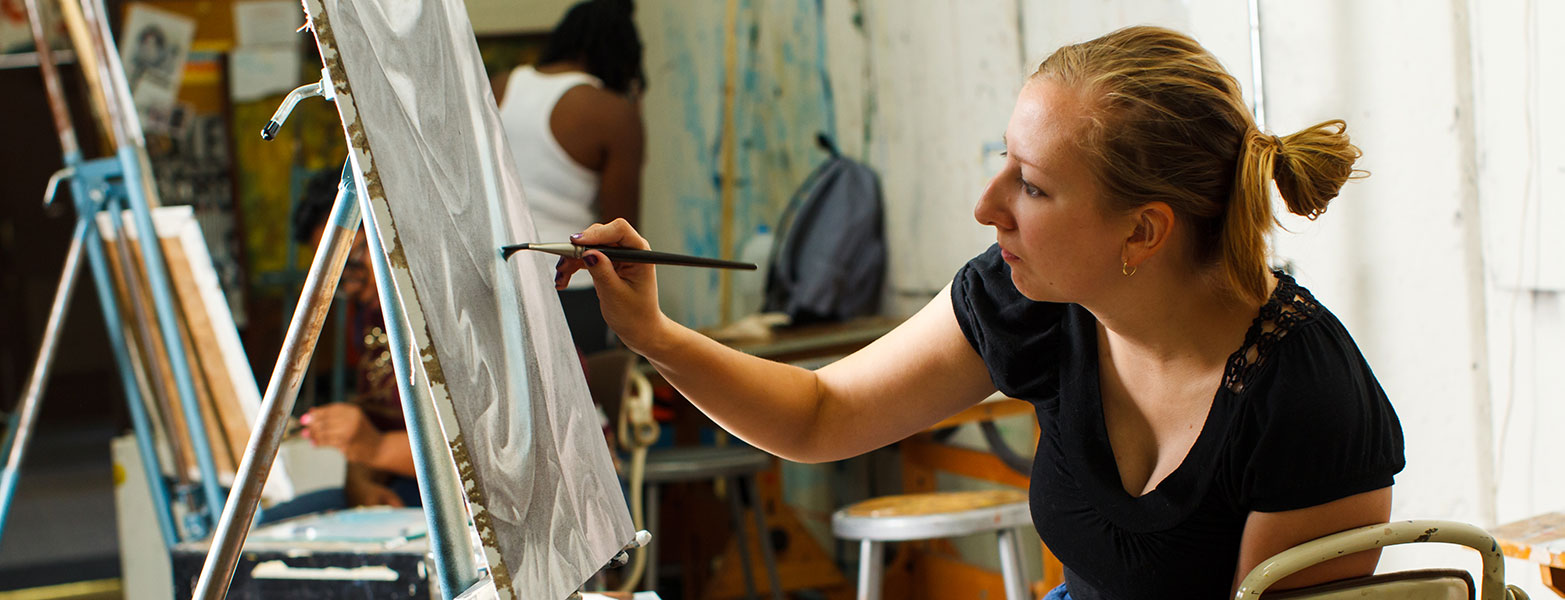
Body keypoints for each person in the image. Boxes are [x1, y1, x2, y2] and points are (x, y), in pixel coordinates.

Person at [554, 26, 1404, 599]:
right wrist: (653, 336)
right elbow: (821, 415)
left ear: (1141, 231)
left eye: (1030, 186)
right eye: (1005, 163)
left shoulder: (1307, 403)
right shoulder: (1031, 299)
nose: (985, 205)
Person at [496, 0, 646, 354]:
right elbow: (621, 234)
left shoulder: (502, 85)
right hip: (573, 293)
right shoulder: (611, 112)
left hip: (502, 280)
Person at [291, 168, 419, 508]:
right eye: (335, 267)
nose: (350, 280)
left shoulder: (437, 313)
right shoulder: (370, 312)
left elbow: (475, 454)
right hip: (401, 485)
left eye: (357, 254)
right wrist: (361, 480)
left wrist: (376, 449)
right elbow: (373, 417)